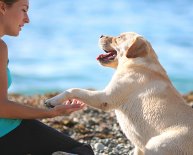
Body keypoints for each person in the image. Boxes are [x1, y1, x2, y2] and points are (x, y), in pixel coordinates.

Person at [0, 0, 95, 154]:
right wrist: (51, 113)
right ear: (2, 6)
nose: (27, 19)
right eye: (24, 10)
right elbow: (2, 108)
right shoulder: (0, 48)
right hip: (4, 134)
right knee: (82, 151)